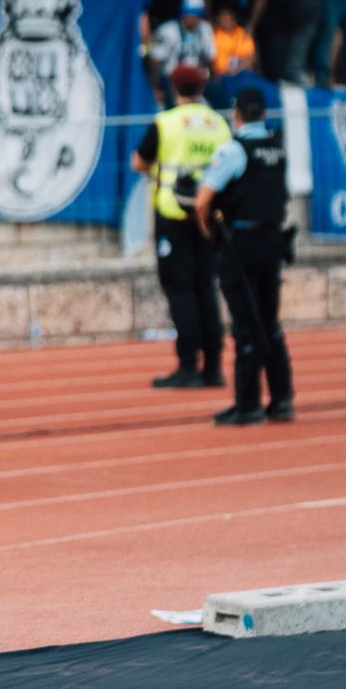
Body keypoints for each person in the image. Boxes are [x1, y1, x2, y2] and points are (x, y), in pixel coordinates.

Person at [195, 88, 296, 426]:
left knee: (245, 323)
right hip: (273, 242)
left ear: (237, 114)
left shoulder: (234, 150)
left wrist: (209, 232)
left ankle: (248, 404)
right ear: (263, 114)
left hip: (241, 245)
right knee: (270, 321)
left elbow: (202, 200)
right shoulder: (277, 149)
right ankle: (281, 399)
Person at [133, 64, 227, 390]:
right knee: (206, 288)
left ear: (175, 88)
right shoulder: (219, 123)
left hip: (173, 215)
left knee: (180, 290)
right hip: (210, 217)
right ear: (202, 88)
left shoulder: (167, 122)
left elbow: (138, 162)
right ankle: (214, 367)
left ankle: (188, 365)